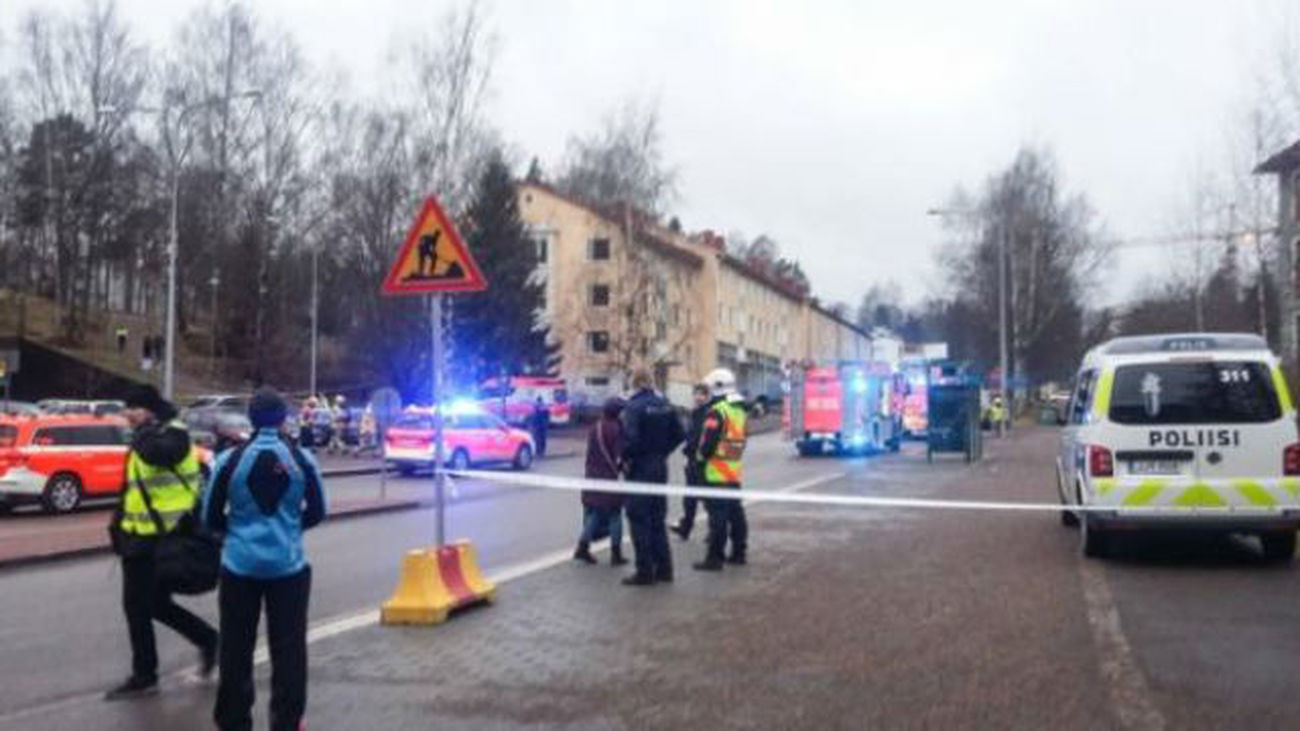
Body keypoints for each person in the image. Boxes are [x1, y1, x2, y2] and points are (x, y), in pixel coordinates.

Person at [203, 388, 327, 731]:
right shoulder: (302, 459)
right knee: (289, 650)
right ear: (284, 418)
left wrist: (236, 531)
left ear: (251, 418)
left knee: (235, 648)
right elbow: (318, 511)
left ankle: (233, 720)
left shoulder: (229, 460)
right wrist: (289, 528)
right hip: (288, 569)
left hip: (239, 568)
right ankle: (287, 721)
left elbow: (210, 516)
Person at [105, 384, 218, 701]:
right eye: (126, 408)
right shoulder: (147, 435)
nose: (126, 414)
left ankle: (148, 674)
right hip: (138, 539)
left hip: (167, 538)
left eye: (133, 408)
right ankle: (203, 642)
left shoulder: (174, 434)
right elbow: (133, 489)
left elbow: (159, 455)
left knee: (146, 604)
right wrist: (117, 528)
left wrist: (143, 429)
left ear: (148, 409)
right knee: (143, 605)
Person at [620, 369, 685, 586]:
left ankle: (645, 571)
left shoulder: (634, 407)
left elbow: (630, 440)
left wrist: (624, 458)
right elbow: (680, 434)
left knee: (638, 518)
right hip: (659, 466)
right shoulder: (665, 404)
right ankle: (665, 569)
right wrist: (662, 451)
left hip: (640, 468)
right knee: (657, 518)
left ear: (635, 384)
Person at [694, 368, 750, 571]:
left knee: (717, 518)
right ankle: (738, 553)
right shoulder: (739, 409)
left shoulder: (717, 411)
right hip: (733, 471)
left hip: (715, 472)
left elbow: (707, 444)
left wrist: (699, 460)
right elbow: (743, 438)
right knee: (736, 514)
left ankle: (714, 559)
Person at [574, 397, 628, 566]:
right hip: (609, 477)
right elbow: (620, 457)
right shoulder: (617, 429)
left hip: (592, 475)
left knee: (596, 513)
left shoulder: (594, 427)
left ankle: (582, 548)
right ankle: (616, 554)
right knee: (615, 514)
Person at [671, 383, 711, 540]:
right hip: (693, 460)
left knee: (704, 498)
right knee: (690, 497)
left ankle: (713, 529)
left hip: (700, 460)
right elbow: (689, 434)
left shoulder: (707, 413)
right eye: (696, 394)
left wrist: (689, 450)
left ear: (707, 396)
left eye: (702, 394)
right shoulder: (695, 413)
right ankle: (685, 527)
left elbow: (699, 437)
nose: (698, 397)